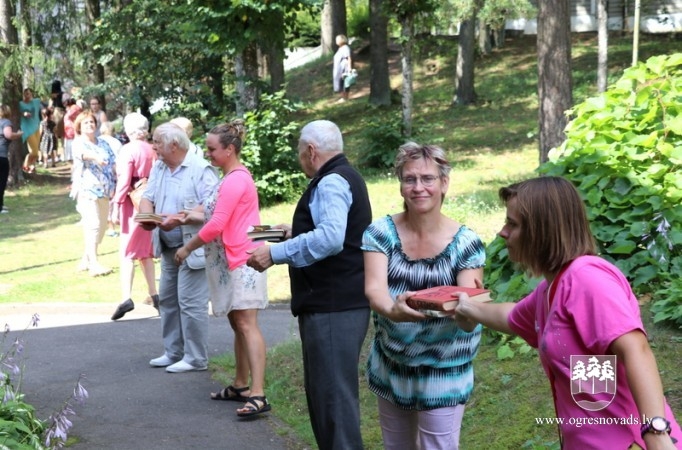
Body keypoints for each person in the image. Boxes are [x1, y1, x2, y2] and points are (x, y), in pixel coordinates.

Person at [454, 176, 682, 450]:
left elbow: (636, 348)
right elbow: (512, 317)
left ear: (542, 230)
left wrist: (656, 434)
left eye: (513, 224)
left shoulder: (587, 279)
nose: (503, 232)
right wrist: (468, 307)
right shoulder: (551, 290)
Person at [247, 120, 372, 449]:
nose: (299, 158)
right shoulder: (345, 176)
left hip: (334, 307)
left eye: (300, 152)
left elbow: (331, 239)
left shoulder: (331, 181)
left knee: (333, 405)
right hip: (337, 304)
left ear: (311, 151)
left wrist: (276, 252)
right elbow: (336, 232)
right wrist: (294, 233)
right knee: (327, 399)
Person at [361, 142, 486, 450]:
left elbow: (472, 307)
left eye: (428, 178)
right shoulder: (380, 233)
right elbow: (374, 289)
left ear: (444, 183)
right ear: (400, 185)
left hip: (445, 368)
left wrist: (468, 314)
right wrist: (394, 311)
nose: (419, 187)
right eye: (409, 179)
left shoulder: (466, 243)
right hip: (392, 365)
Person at [174, 119, 270, 416]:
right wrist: (182, 215)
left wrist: (187, 248)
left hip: (243, 261)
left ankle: (258, 393)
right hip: (230, 262)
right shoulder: (226, 177)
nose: (208, 153)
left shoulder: (237, 179)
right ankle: (241, 385)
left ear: (229, 149)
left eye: (212, 149)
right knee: (236, 324)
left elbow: (216, 223)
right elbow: (209, 209)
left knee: (246, 324)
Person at [138, 122, 218, 373]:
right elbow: (146, 197)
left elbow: (214, 208)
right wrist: (147, 217)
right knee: (169, 300)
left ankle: (195, 358)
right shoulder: (160, 167)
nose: (154, 146)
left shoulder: (200, 169)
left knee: (190, 303)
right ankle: (173, 352)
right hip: (168, 245)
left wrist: (182, 217)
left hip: (193, 246)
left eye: (158, 141)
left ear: (174, 145)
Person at [110, 113, 159, 321]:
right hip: (150, 202)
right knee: (145, 253)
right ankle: (155, 295)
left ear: (128, 130)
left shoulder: (128, 150)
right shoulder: (153, 149)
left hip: (132, 203)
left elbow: (123, 181)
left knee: (128, 251)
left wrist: (116, 204)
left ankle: (125, 297)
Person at [70, 110, 117, 277]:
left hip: (105, 189)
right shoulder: (78, 143)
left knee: (102, 227)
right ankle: (94, 264)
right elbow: (84, 155)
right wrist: (95, 158)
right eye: (86, 123)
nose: (90, 125)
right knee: (94, 224)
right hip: (87, 189)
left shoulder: (103, 143)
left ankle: (86, 258)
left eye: (92, 122)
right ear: (80, 127)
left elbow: (113, 163)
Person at [100, 121, 124, 238]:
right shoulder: (117, 142)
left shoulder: (97, 140)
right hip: (114, 174)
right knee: (112, 200)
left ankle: (106, 224)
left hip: (100, 174)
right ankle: (111, 226)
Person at [0, 104, 23, 214]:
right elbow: (8, 135)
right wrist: (18, 134)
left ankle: (1, 204)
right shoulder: (6, 122)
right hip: (1, 156)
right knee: (1, 181)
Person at [19, 88, 42, 173]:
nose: (27, 96)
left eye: (28, 94)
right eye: (25, 94)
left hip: (36, 127)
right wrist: (23, 113)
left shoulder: (36, 101)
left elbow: (43, 103)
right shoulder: (21, 104)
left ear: (31, 94)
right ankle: (25, 165)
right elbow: (17, 112)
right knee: (35, 152)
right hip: (27, 129)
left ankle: (31, 167)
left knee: (33, 150)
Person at [332, 34, 353, 103]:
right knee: (339, 82)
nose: (336, 41)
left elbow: (348, 58)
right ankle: (343, 97)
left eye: (337, 39)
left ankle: (345, 97)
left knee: (343, 82)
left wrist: (349, 68)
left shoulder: (345, 48)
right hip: (338, 69)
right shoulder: (340, 48)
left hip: (343, 68)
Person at [63, 97, 82, 163]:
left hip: (73, 132)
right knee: (70, 154)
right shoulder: (73, 108)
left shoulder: (74, 108)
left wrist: (69, 110)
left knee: (73, 153)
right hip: (68, 132)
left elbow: (70, 115)